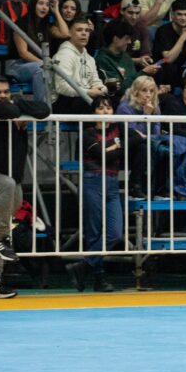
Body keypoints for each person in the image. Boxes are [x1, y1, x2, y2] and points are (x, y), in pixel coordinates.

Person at [0, 75, 50, 298]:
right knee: (2, 230)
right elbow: (8, 112)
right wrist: (17, 111)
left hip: (13, 181)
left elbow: (44, 109)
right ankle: (1, 241)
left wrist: (19, 107)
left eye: (6, 92)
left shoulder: (12, 105)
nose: (3, 96)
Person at [66, 96, 119, 293]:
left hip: (112, 183)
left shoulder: (118, 129)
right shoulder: (87, 134)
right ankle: (98, 278)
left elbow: (135, 140)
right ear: (93, 113)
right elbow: (104, 155)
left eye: (108, 108)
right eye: (100, 108)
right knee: (94, 231)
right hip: (92, 181)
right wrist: (115, 147)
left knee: (115, 232)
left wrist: (113, 147)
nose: (105, 112)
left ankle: (82, 266)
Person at [7, 0, 69, 104]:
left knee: (50, 69)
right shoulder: (21, 23)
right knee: (41, 69)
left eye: (47, 5)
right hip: (18, 66)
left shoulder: (46, 26)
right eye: (40, 4)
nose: (44, 7)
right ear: (32, 5)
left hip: (40, 66)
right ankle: (41, 106)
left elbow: (65, 33)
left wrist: (56, 12)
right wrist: (45, 63)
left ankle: (51, 103)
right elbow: (23, 53)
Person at [116, 75, 164, 199]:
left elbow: (156, 134)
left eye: (151, 91)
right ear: (136, 91)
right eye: (144, 90)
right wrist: (146, 115)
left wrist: (149, 116)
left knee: (164, 149)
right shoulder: (125, 107)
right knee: (143, 146)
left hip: (147, 145)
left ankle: (160, 189)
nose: (148, 95)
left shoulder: (155, 108)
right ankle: (135, 185)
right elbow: (135, 134)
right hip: (126, 148)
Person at [51, 15, 107, 113]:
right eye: (79, 30)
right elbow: (61, 87)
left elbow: (95, 81)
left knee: (111, 102)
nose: (84, 34)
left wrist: (103, 89)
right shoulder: (64, 55)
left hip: (83, 97)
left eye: (87, 30)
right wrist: (88, 92)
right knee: (91, 105)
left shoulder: (89, 58)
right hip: (63, 101)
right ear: (70, 33)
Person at [95, 19, 159, 99]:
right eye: (127, 38)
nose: (129, 42)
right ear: (115, 39)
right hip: (119, 100)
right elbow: (121, 89)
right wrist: (144, 72)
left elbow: (131, 80)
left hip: (136, 97)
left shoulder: (125, 56)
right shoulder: (102, 60)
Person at [152, 0, 186, 92]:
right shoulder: (163, 31)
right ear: (172, 15)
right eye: (179, 14)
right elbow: (168, 59)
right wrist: (182, 38)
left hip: (179, 68)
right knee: (170, 67)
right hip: (160, 67)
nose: (183, 18)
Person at [118, 0, 153, 67]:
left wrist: (146, 59)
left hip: (137, 64)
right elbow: (113, 57)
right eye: (130, 13)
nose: (134, 17)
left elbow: (145, 52)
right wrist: (137, 60)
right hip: (118, 64)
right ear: (122, 11)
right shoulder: (113, 27)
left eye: (137, 13)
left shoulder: (142, 27)